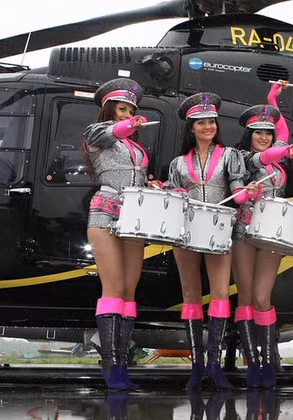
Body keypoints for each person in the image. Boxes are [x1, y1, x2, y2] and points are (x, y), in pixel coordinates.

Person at [168, 92, 259, 390]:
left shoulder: (230, 155)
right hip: (185, 229)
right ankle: (196, 368)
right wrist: (171, 191)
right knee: (190, 294)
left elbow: (237, 190)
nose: (208, 126)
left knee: (220, 293)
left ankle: (214, 366)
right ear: (191, 127)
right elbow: (174, 194)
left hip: (219, 228)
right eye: (201, 122)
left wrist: (246, 193)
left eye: (211, 121)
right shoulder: (178, 163)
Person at [83, 78, 157, 391]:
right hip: (106, 212)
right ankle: (110, 365)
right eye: (122, 109)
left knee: (128, 290)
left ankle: (122, 364)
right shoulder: (97, 133)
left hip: (134, 217)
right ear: (109, 110)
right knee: (112, 287)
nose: (127, 115)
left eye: (131, 110)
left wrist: (152, 185)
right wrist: (128, 125)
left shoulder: (135, 147)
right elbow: (111, 133)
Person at [231, 81, 293, 389]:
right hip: (244, 230)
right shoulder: (242, 157)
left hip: (272, 232)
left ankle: (270, 358)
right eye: (258, 132)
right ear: (249, 133)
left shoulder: (279, 156)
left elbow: (282, 131)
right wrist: (284, 149)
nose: (264, 136)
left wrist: (273, 97)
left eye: (268, 132)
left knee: (263, 296)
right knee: (246, 296)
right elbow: (265, 157)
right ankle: (252, 362)